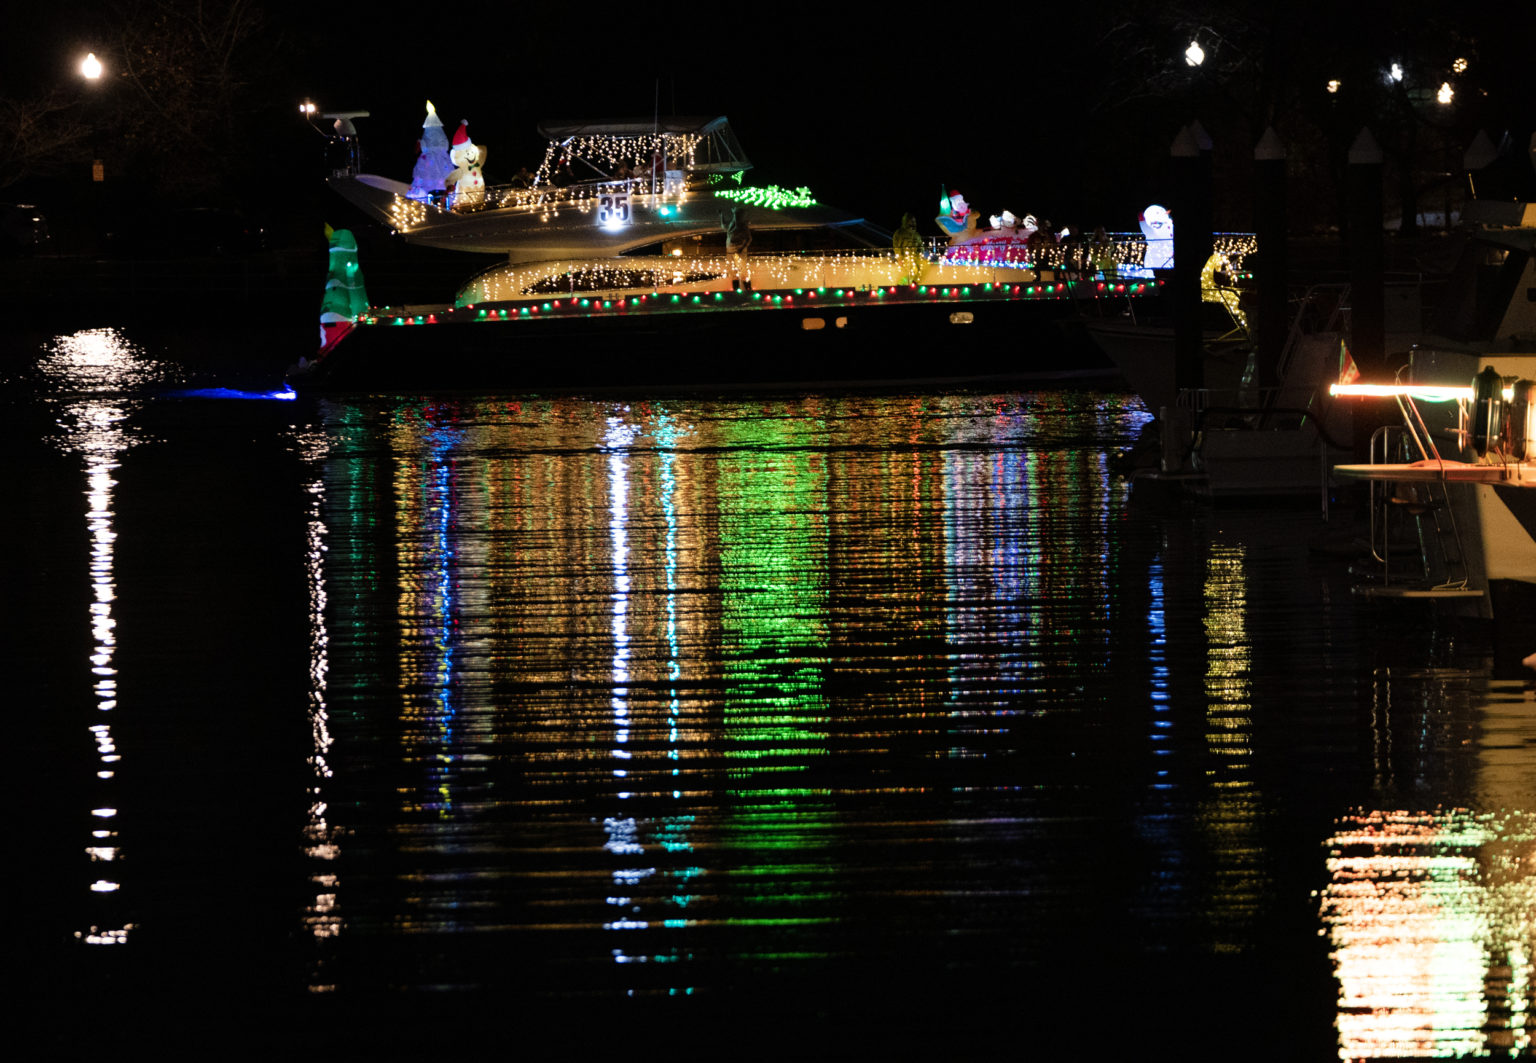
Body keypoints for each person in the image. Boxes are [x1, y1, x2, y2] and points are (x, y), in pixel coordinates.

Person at [721, 206, 752, 291]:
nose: (736, 218)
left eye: (737, 215)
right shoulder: (732, 226)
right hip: (731, 251)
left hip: (739, 252)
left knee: (743, 271)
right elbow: (724, 227)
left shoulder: (743, 226)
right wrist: (721, 216)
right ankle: (736, 290)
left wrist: (742, 248)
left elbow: (749, 239)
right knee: (733, 271)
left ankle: (747, 289)